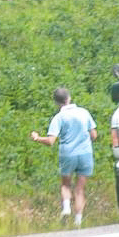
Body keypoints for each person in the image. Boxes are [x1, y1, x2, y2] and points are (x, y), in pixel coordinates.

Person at [31, 88, 98, 227]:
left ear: (56, 102)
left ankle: (66, 208)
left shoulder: (59, 118)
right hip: (85, 153)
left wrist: (37, 138)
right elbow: (94, 135)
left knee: (66, 184)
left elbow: (50, 141)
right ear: (69, 98)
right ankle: (78, 222)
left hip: (67, 154)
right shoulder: (83, 112)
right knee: (80, 189)